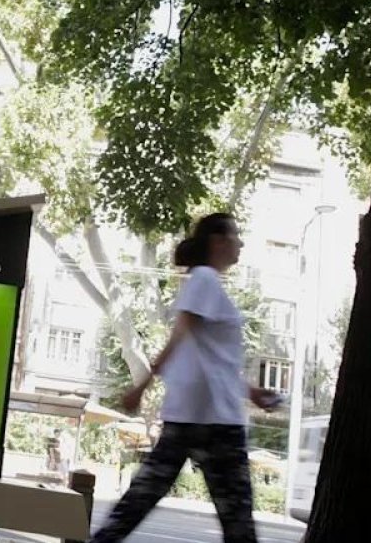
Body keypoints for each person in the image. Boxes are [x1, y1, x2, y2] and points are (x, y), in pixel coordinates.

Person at [88, 213, 281, 543]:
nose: (241, 243)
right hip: (216, 424)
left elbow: (211, 360)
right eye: (236, 236)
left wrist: (251, 391)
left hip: (190, 416)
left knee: (137, 503)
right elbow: (179, 336)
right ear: (218, 241)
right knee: (238, 524)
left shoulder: (204, 282)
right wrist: (141, 386)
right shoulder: (204, 279)